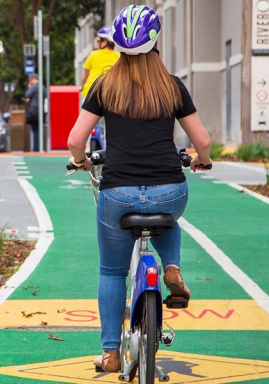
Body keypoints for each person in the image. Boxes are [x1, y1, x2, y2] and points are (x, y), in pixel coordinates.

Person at [65, 4, 213, 373]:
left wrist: (82, 160)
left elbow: (75, 140)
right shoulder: (172, 86)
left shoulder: (104, 85)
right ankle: (172, 267)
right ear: (155, 41)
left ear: (117, 44)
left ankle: (111, 353)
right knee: (167, 218)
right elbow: (203, 141)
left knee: (112, 272)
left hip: (118, 194)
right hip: (170, 191)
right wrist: (201, 160)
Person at [79, 26, 120, 151]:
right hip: (111, 94)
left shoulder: (93, 55)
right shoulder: (118, 56)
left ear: (105, 42)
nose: (97, 43)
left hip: (90, 93)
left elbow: (84, 77)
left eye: (98, 41)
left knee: (88, 124)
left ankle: (87, 146)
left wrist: (81, 87)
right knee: (110, 124)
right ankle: (109, 147)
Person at [23, 75, 42, 151]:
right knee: (38, 130)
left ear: (33, 79)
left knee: (35, 131)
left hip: (34, 112)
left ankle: (36, 148)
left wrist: (29, 87)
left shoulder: (34, 87)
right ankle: (39, 146)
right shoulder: (43, 87)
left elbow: (27, 95)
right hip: (40, 111)